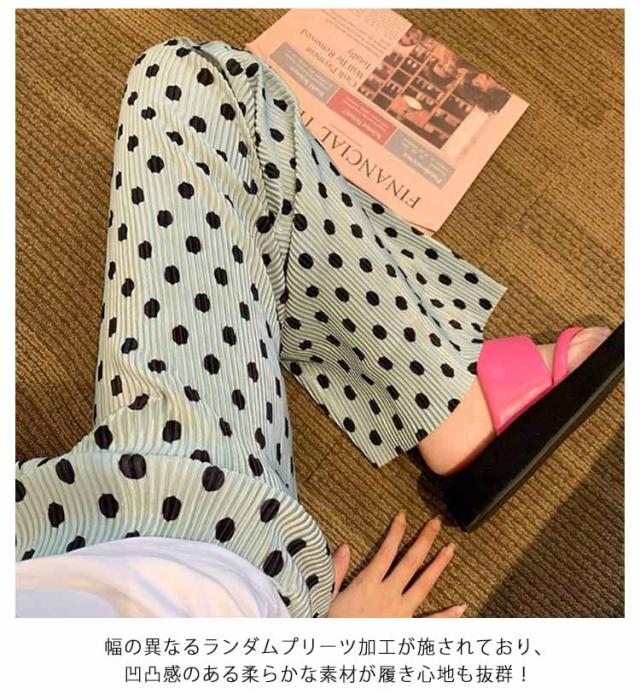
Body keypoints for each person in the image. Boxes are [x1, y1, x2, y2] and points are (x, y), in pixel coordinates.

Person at [15, 37, 610, 618]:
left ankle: (437, 391)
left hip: (54, 525)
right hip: (175, 531)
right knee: (201, 82)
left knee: (195, 101)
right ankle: (447, 400)